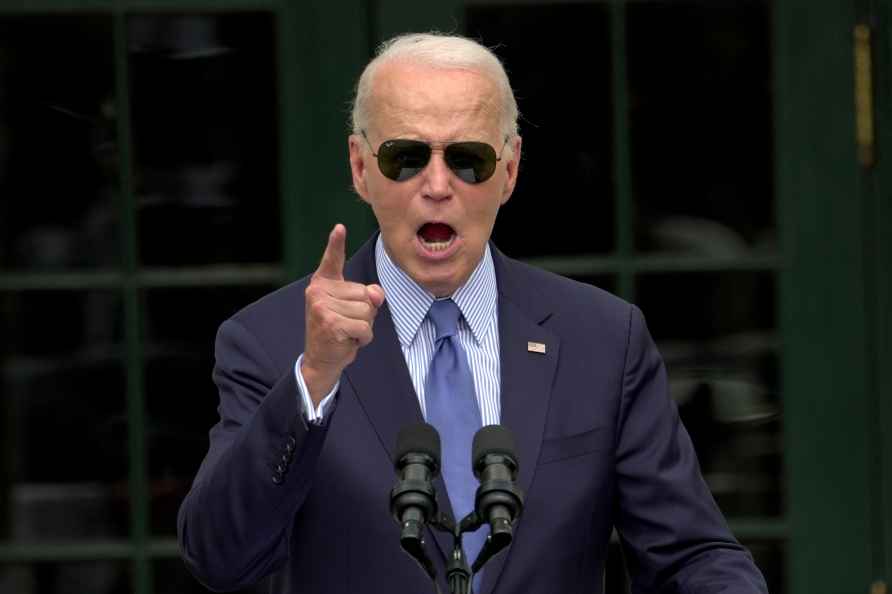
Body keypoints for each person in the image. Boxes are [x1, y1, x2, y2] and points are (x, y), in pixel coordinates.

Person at [177, 32, 769, 594]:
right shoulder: (271, 341)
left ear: (509, 171)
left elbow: (691, 554)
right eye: (406, 157)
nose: (437, 184)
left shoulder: (603, 339)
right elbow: (220, 557)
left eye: (469, 159)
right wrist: (314, 380)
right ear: (361, 168)